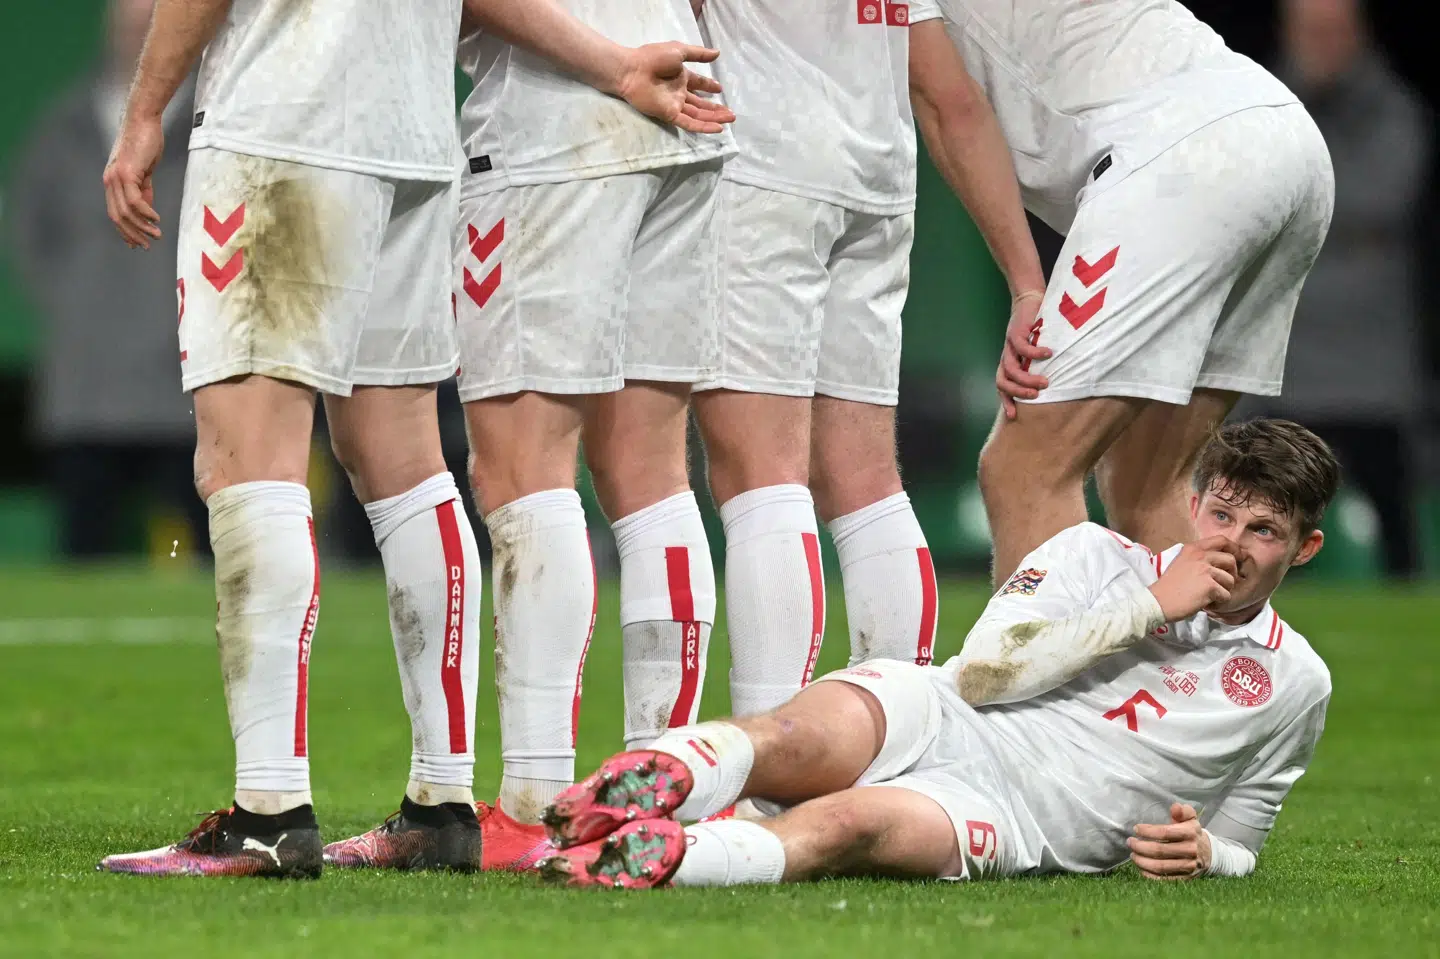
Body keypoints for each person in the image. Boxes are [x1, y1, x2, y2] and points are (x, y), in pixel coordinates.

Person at [97, 0, 735, 879]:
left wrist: (141, 114)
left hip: (287, 112)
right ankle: (440, 801)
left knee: (247, 456)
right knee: (401, 460)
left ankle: (269, 810)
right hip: (415, 135)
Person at [537, 418, 1337, 889]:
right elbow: (986, 674)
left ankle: (659, 858)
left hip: (1018, 818)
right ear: (1195, 505)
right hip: (947, 713)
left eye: (1263, 530)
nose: (1232, 542)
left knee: (846, 824)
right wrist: (1148, 606)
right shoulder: (1096, 555)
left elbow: (1244, 837)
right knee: (791, 740)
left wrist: (1207, 854)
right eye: (1224, 514)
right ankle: (620, 792)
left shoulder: (1296, 682)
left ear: (1303, 548)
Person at [325, 0, 737, 873]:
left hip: (562, 118)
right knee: (652, 473)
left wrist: (614, 65)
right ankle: (659, 790)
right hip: (684, 108)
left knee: (523, 470)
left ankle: (536, 804)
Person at [906, 0, 1336, 585]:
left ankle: (1050, 680)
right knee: (1147, 484)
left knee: (1025, 467)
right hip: (1284, 135)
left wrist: (1028, 287)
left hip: (1181, 157)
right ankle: (1193, 677)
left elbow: (951, 107)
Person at [690, 0, 934, 723]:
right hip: (882, 167)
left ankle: (773, 769)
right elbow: (948, 89)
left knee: (760, 474)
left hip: (764, 151)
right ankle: (900, 747)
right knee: (865, 482)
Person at [6, 0, 205, 559]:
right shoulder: (65, 125)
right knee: (84, 553)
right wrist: (76, 305)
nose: (140, 37)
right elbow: (28, 230)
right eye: (130, 24)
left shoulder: (211, 120)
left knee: (214, 556)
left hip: (184, 380)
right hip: (87, 386)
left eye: (152, 25)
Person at [1250, 0, 1430, 577]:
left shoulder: (1394, 109)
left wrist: (1295, 211)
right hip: (1286, 353)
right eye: (1310, 31)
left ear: (1359, 34)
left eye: (1334, 31)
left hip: (1370, 360)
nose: (1322, 43)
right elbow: (1248, 190)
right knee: (1269, 509)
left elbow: (1385, 195)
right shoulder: (1262, 102)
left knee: (1393, 515)